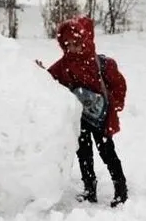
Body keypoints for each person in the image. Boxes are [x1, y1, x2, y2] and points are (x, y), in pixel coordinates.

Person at [37, 16, 128, 207]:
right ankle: (89, 189)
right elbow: (48, 81)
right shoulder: (64, 64)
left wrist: (115, 105)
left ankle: (120, 189)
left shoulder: (103, 64)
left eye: (76, 43)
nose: (72, 48)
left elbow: (119, 84)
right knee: (84, 154)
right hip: (80, 119)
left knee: (107, 153)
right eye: (67, 44)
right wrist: (38, 71)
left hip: (101, 118)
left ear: (85, 40)